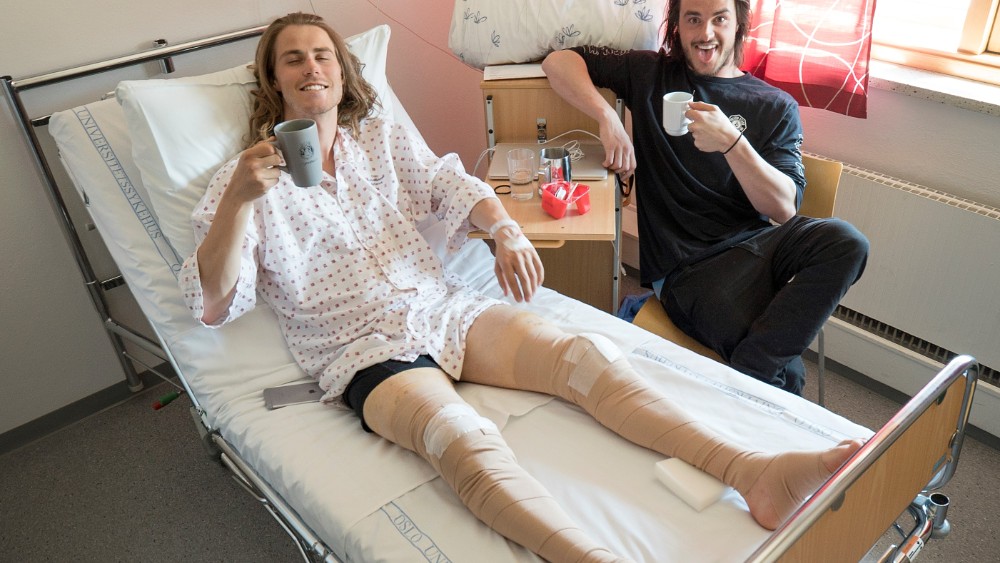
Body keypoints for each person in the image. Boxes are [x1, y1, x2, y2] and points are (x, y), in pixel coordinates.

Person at [179, 12, 862, 562]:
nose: (311, 67)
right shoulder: (246, 179)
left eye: (323, 54)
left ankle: (753, 472)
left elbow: (449, 182)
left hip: (439, 305)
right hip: (357, 346)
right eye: (293, 59)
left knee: (583, 358)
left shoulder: (377, 138)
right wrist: (239, 199)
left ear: (341, 70)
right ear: (272, 79)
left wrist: (504, 228)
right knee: (458, 438)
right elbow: (212, 301)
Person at [542, 0, 870, 396]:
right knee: (788, 375)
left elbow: (784, 208)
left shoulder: (774, 105)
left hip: (756, 247)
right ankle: (761, 377)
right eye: (693, 19)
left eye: (719, 19)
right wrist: (607, 117)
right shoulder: (650, 73)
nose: (706, 33)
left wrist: (732, 142)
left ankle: (753, 375)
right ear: (678, 26)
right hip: (686, 267)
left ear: (739, 25)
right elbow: (559, 62)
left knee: (848, 241)